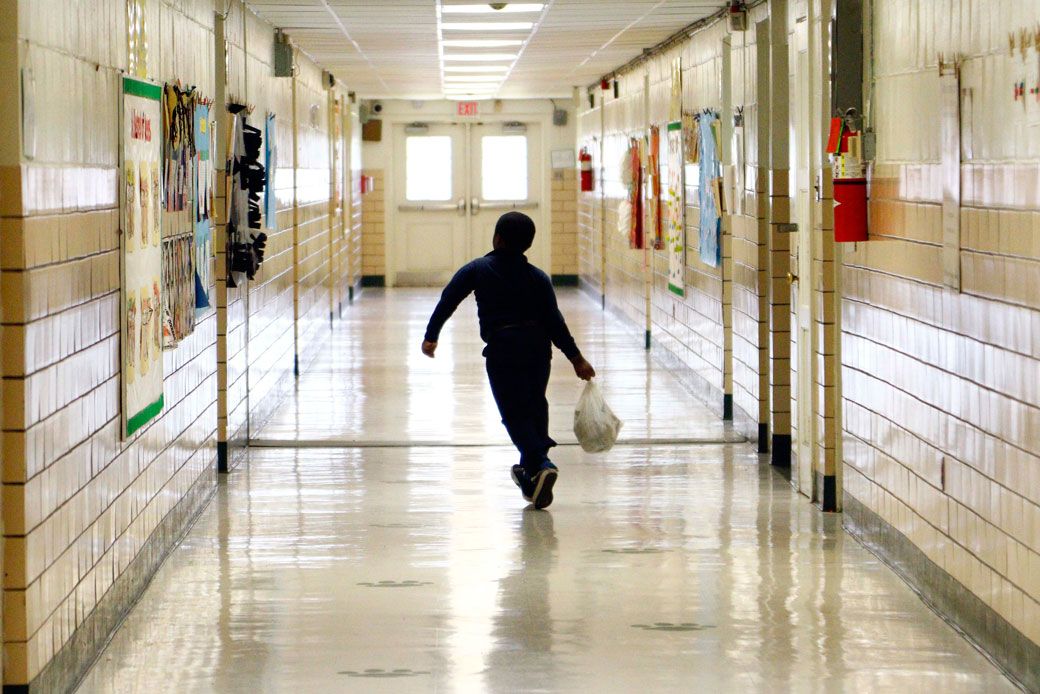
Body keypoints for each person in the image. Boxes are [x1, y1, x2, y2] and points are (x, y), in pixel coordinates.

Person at [422, 211, 596, 509]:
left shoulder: (477, 269)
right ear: (529, 244)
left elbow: (448, 299)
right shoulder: (539, 277)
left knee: (513, 412)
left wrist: (431, 335)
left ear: (497, 238)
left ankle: (540, 463)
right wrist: (576, 358)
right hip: (539, 349)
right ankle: (530, 472)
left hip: (503, 348)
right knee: (535, 404)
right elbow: (555, 321)